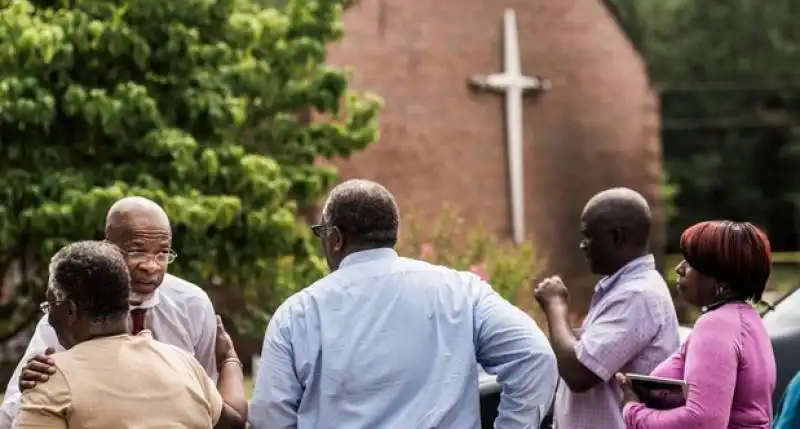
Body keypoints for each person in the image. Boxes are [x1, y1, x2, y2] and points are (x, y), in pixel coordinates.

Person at [249, 179, 558, 429]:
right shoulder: (460, 291)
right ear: (392, 232)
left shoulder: (298, 314)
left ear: (336, 238)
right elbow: (535, 356)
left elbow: (268, 416)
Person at [0, 196, 218, 428]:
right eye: (137, 251)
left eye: (162, 254)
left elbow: (209, 397)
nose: (151, 266)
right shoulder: (63, 317)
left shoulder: (192, 305)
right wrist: (29, 388)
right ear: (108, 249)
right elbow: (10, 414)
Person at [13, 240, 247, 429]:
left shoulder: (49, 379)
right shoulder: (184, 363)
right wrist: (229, 361)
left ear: (70, 310)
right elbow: (234, 422)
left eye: (50, 307)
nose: (50, 318)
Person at [533, 187, 680, 429]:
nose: (582, 245)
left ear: (616, 236)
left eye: (588, 236)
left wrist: (555, 306)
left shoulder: (637, 294)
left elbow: (579, 373)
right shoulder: (624, 289)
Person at [618, 220, 776, 429]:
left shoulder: (716, 324)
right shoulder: (747, 319)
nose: (679, 268)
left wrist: (632, 411)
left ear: (720, 280)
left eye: (690, 263)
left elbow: (701, 421)